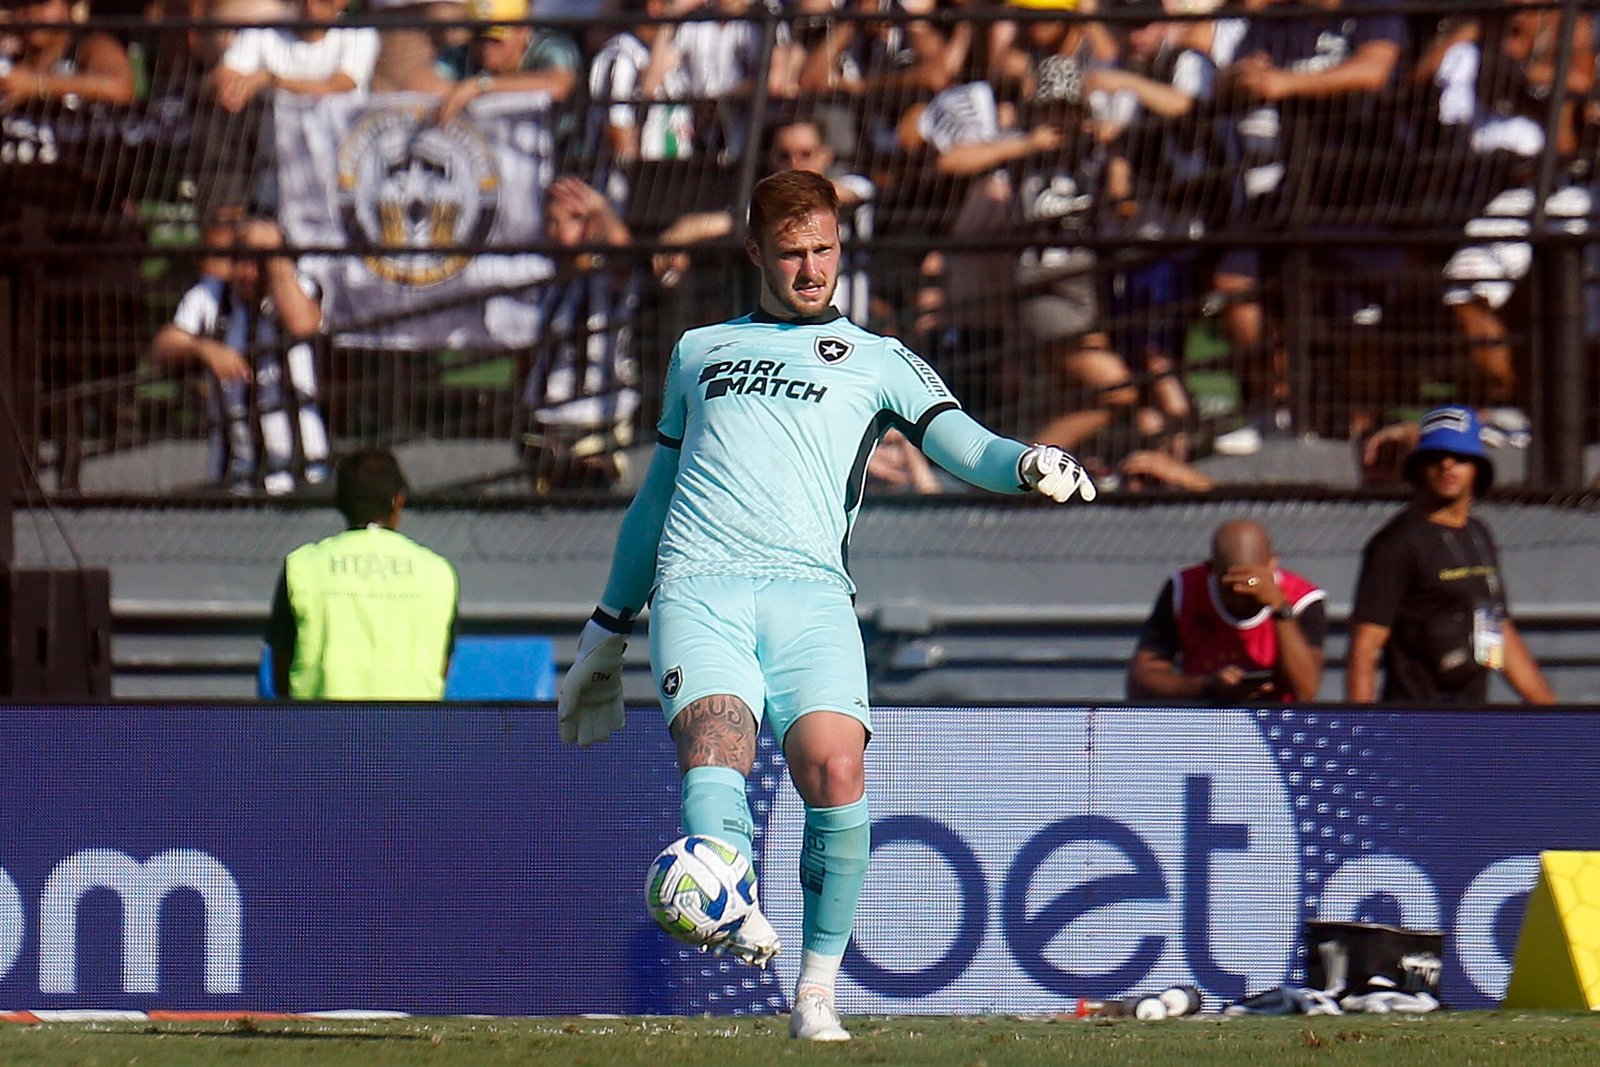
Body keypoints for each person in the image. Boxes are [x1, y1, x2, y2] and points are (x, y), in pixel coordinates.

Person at [556, 170, 1097, 1042]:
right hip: (701, 585)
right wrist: (606, 628)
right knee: (715, 750)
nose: (810, 269)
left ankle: (815, 990)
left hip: (810, 594)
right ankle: (724, 895)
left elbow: (965, 443)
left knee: (836, 773)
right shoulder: (699, 349)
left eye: (823, 250)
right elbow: (655, 498)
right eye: (791, 252)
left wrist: (1026, 462)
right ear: (755, 254)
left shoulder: (882, 358)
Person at [1346, 405, 1555, 704]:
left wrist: (1551, 713)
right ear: (1419, 468)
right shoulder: (1396, 543)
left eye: (1460, 457)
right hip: (1414, 723)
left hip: (1469, 722)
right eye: (1434, 458)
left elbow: (1497, 631)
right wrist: (1361, 732)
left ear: (1477, 468)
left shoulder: (1478, 534)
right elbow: (1365, 647)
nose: (1447, 465)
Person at [154, 217, 332, 495]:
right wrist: (203, 348)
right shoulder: (211, 295)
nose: (248, 273)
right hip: (235, 477)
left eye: (258, 263)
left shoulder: (299, 287)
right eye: (241, 262)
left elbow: (302, 322)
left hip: (303, 474)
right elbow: (163, 346)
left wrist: (273, 251)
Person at [265, 449, 460, 700]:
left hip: (319, 734)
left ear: (339, 502)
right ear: (398, 501)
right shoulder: (438, 573)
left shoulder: (301, 566)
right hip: (413, 734)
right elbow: (441, 667)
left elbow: (282, 675)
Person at [1127, 518, 1327, 703]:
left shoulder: (1303, 599)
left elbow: (1306, 690)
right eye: (1231, 589)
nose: (1241, 597)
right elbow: (1141, 680)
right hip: (1207, 719)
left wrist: (1281, 610)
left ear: (1272, 564)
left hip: (1278, 723)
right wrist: (1207, 685)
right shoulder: (1184, 590)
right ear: (1211, 569)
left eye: (1250, 587)